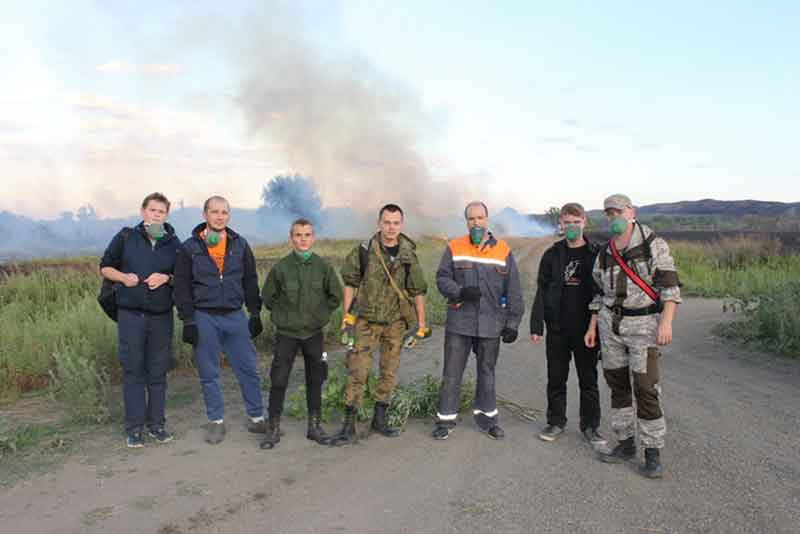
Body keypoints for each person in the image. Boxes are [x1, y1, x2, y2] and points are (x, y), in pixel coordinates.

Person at [585, 194, 681, 478]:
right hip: (610, 326)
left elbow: (670, 288)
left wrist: (666, 322)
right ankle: (625, 444)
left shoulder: (653, 245)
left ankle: (652, 452)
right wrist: (593, 326)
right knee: (617, 387)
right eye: (609, 212)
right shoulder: (605, 252)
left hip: (644, 326)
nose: (613, 216)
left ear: (631, 212)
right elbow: (599, 293)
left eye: (618, 211)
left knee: (646, 388)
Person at [329, 203, 429, 445]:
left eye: (395, 223)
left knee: (389, 372)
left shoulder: (408, 255)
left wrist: (421, 324)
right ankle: (348, 426)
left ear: (401, 225)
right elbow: (351, 283)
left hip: (395, 324)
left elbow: (417, 291)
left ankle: (379, 420)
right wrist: (346, 317)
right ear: (379, 223)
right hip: (365, 322)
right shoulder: (364, 251)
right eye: (387, 222)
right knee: (357, 372)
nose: (391, 227)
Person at [173, 196, 266, 444]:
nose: (219, 216)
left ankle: (256, 418)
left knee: (248, 368)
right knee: (209, 373)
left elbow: (250, 280)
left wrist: (255, 312)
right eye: (214, 212)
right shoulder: (189, 248)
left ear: (229, 216)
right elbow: (181, 287)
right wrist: (188, 320)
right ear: (205, 214)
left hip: (236, 316)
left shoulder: (240, 244)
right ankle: (216, 422)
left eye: (224, 212)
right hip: (205, 317)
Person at [431, 201, 524, 440]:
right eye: (471, 219)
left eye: (480, 218)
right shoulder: (455, 246)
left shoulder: (502, 250)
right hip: (460, 323)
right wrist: (460, 291)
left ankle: (487, 420)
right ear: (466, 221)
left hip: (491, 323)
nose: (476, 223)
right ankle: (446, 420)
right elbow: (441, 278)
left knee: (487, 372)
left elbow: (513, 288)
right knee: (452, 373)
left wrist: (512, 323)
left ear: (487, 219)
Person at [100, 192, 180, 448]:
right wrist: (124, 278)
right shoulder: (126, 237)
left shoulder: (174, 243)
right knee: (134, 371)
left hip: (161, 317)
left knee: (158, 373)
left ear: (166, 215)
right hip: (131, 316)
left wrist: (166, 278)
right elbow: (105, 266)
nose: (156, 215)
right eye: (152, 210)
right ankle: (134, 428)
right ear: (143, 211)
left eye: (161, 211)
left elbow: (183, 276)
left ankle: (157, 425)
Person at [259, 218, 343, 449]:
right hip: (286, 334)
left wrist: (320, 316)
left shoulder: (322, 267)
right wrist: (283, 317)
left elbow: (334, 296)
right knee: (278, 379)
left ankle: (314, 427)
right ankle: (273, 429)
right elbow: (268, 297)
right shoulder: (281, 268)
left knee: (315, 379)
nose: (303, 239)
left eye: (307, 235)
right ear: (291, 238)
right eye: (298, 235)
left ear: (313, 238)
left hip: (313, 333)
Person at [530, 203, 604, 445]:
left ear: (584, 223)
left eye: (576, 221)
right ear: (560, 224)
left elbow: (604, 291)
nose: (571, 226)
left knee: (588, 380)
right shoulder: (552, 255)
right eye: (567, 222)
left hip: (587, 329)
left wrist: (601, 325)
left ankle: (590, 426)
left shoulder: (596, 253)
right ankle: (555, 422)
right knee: (556, 378)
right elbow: (542, 290)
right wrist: (536, 325)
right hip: (557, 328)